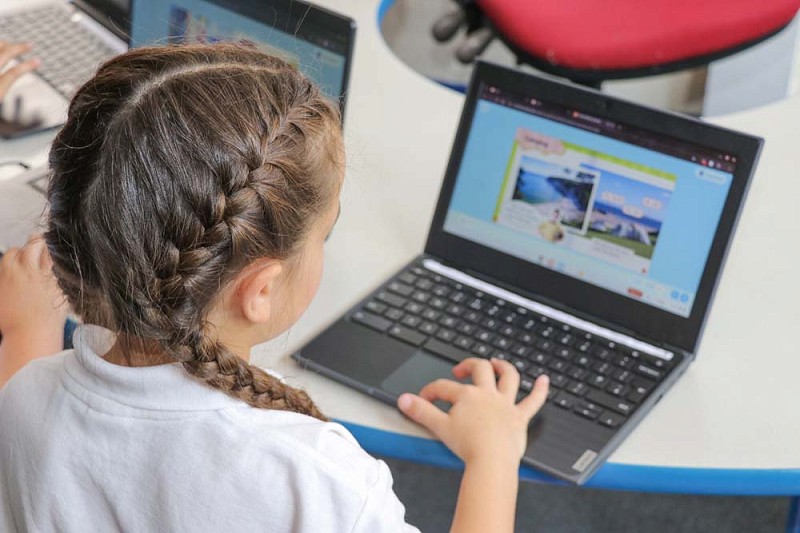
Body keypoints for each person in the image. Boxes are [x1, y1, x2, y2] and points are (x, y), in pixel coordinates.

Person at [0, 43, 549, 532]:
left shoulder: (23, 400)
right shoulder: (315, 480)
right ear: (260, 290)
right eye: (325, 233)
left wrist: (27, 332)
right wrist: (494, 457)